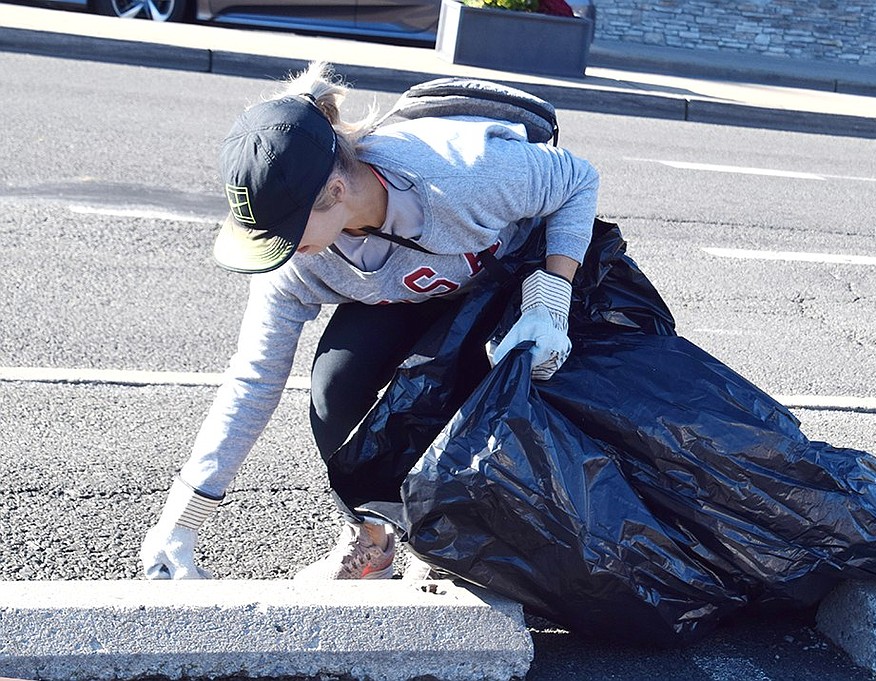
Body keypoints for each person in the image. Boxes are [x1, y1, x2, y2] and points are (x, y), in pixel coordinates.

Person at [139, 61, 599, 580]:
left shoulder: (467, 174)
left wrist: (550, 298)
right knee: (336, 391)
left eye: (289, 232)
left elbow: (578, 180)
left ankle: (451, 546)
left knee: (469, 399)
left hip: (498, 285)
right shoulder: (293, 262)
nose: (281, 252)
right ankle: (373, 539)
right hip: (405, 291)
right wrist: (183, 519)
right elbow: (254, 378)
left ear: (336, 190)